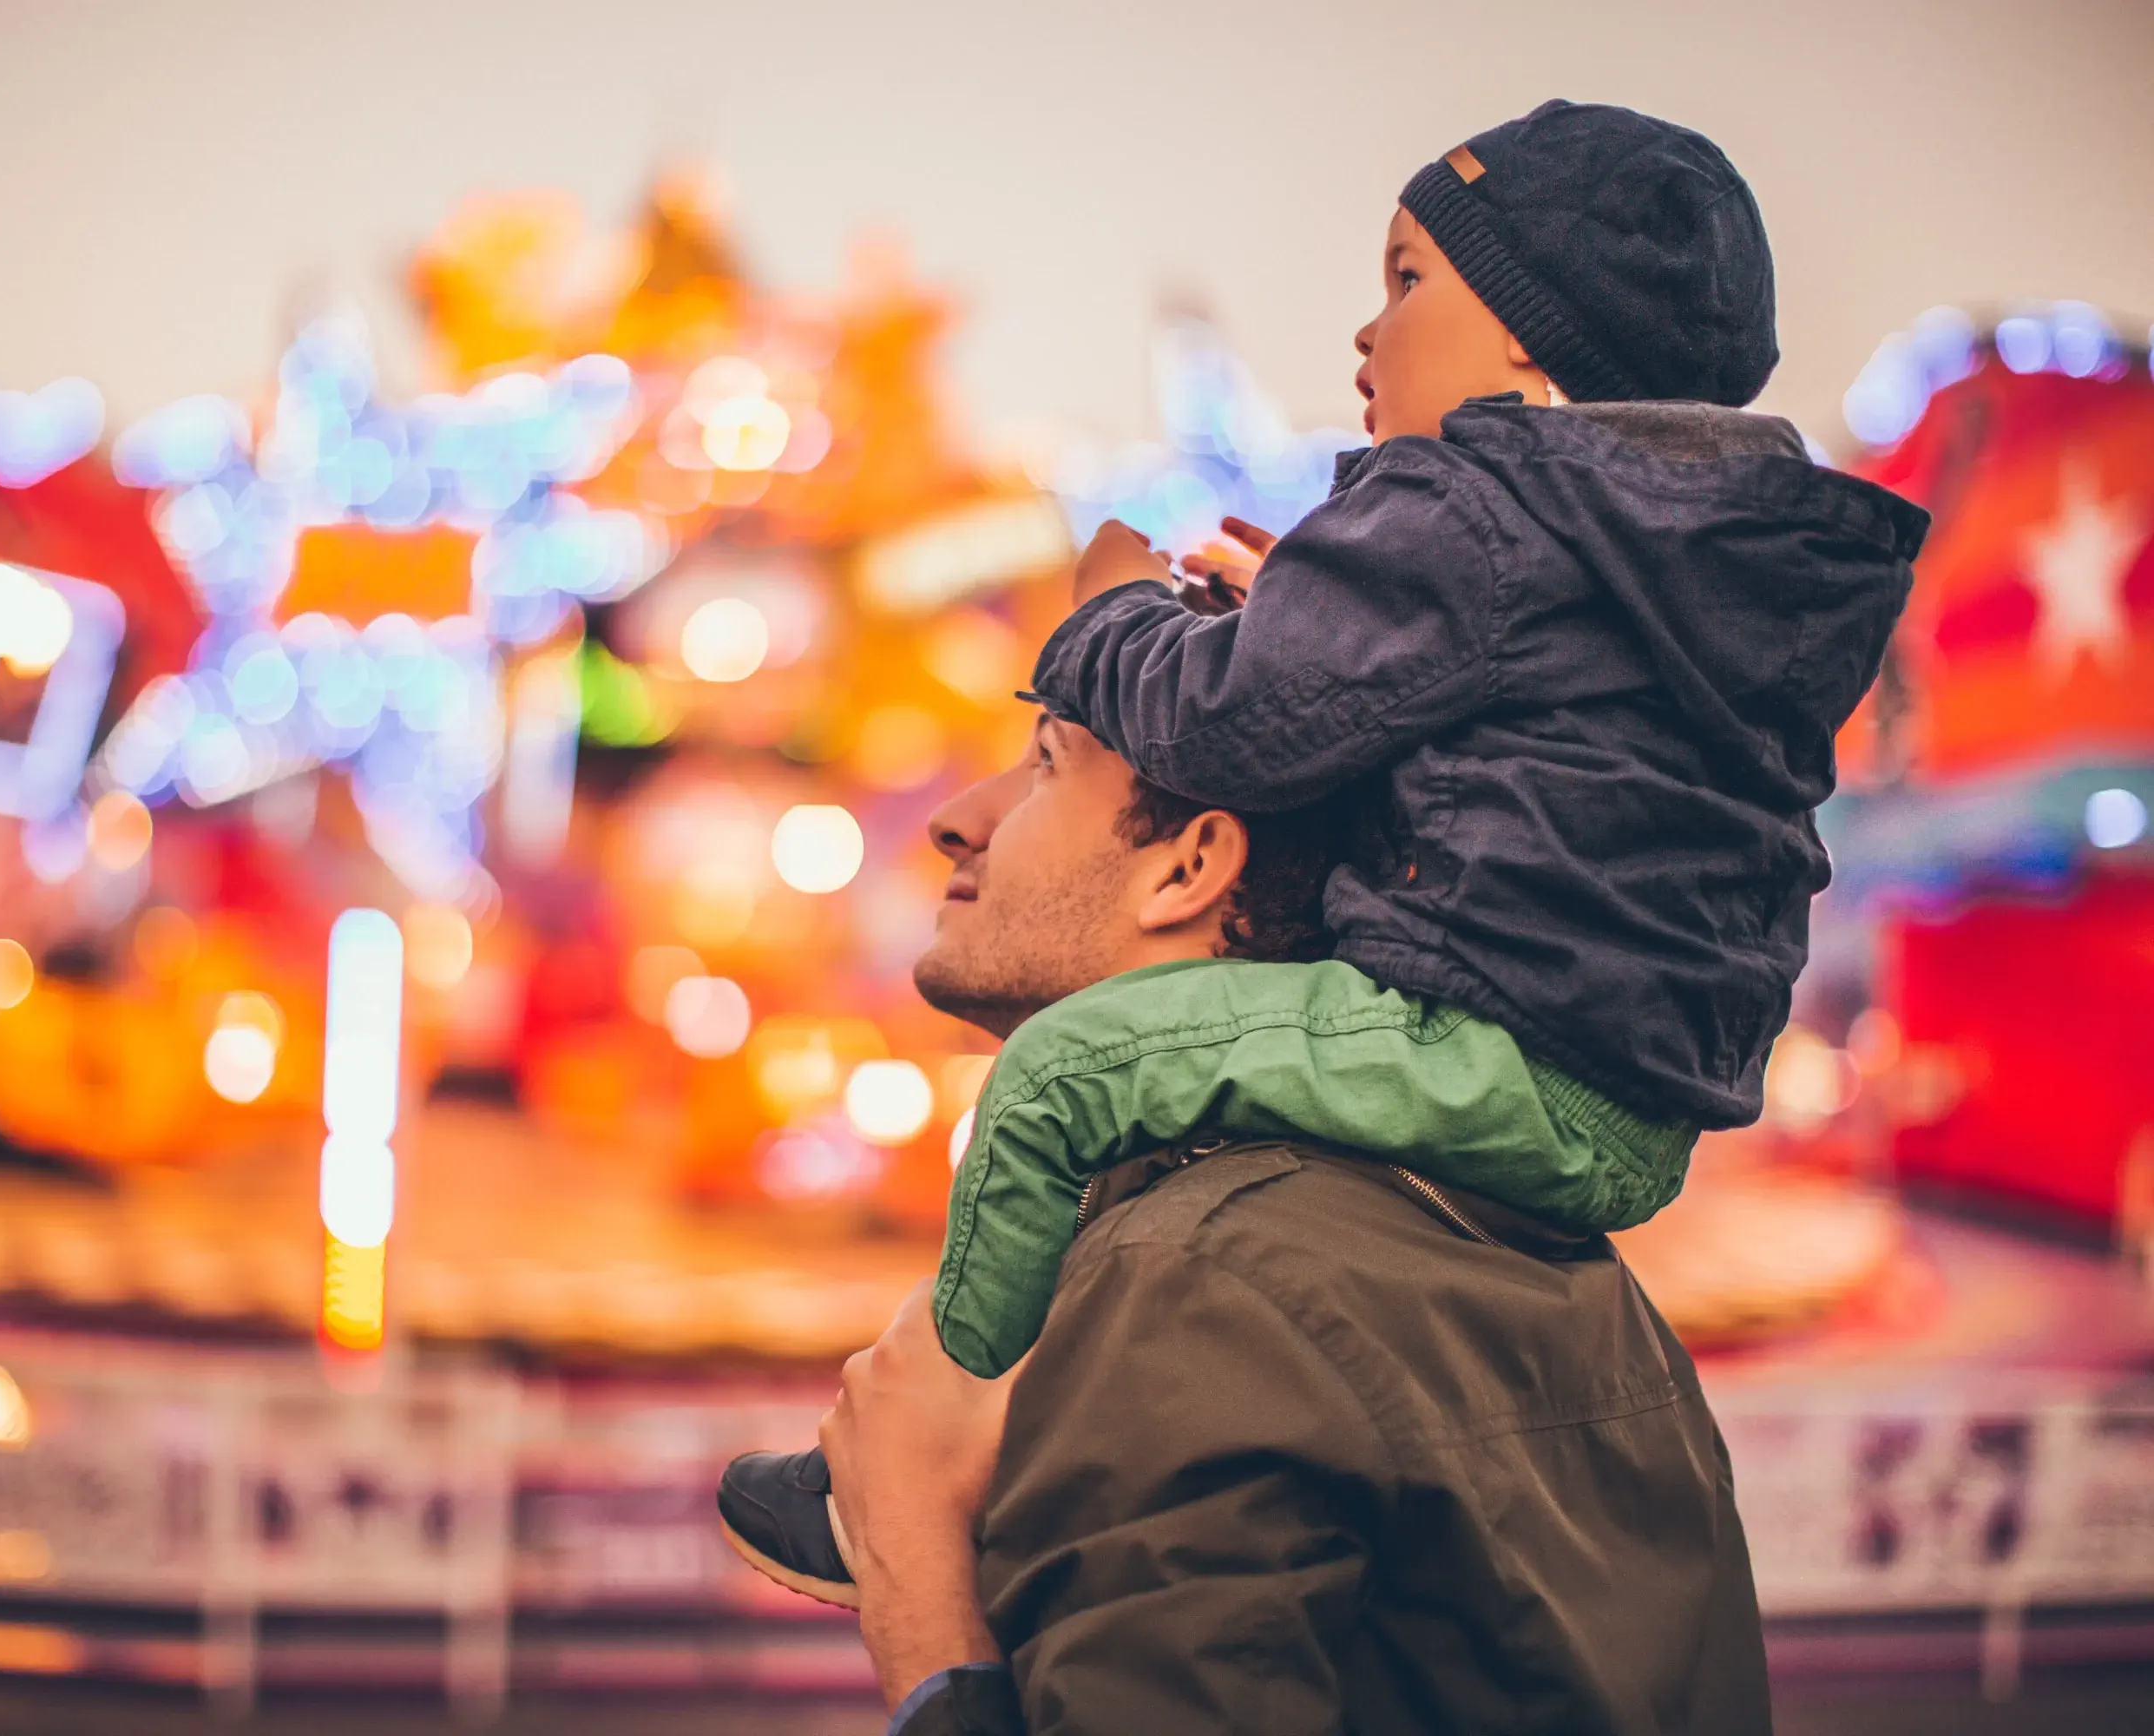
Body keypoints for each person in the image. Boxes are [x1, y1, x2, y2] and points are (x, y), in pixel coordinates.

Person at [719, 96, 1927, 1607]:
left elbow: (1234, 727)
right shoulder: (1696, 561)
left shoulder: (1474, 505)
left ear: (1528, 338)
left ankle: (907, 1468)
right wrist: (1317, 606)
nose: (1368, 330)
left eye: (1408, 278)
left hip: (1491, 1039)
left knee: (1063, 1073)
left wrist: (1108, 623)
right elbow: (1537, 734)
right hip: (1638, 1104)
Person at [827, 711, 1771, 1733]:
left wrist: (917, 1578)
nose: (958, 819)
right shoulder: (1515, 1228)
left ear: (1190, 865)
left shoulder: (1197, 1278)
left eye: (1045, 762)